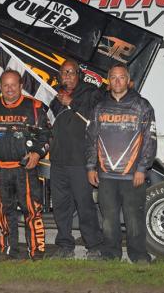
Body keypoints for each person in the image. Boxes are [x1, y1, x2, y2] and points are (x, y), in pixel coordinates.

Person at [0, 70, 50, 260]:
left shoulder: (34, 106)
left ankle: (36, 251)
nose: (9, 89)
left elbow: (47, 136)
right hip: (1, 169)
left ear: (21, 85)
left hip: (26, 169)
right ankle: (9, 250)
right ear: (0, 86)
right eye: (5, 85)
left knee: (31, 210)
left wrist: (37, 153)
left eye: (13, 85)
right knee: (4, 211)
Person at [86, 63, 157, 263]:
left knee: (134, 218)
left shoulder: (142, 106)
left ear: (129, 80)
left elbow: (150, 140)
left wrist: (142, 169)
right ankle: (111, 253)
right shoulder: (99, 107)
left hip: (133, 174)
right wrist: (91, 167)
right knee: (109, 219)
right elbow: (91, 139)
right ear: (108, 82)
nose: (117, 81)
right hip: (106, 175)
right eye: (114, 78)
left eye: (121, 77)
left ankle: (138, 255)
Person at [49, 58, 104, 259]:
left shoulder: (91, 92)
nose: (67, 76)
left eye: (71, 72)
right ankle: (65, 246)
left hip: (81, 161)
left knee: (85, 205)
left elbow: (97, 118)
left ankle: (94, 245)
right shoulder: (54, 95)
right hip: (58, 161)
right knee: (61, 206)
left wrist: (72, 103)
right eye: (64, 73)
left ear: (78, 74)